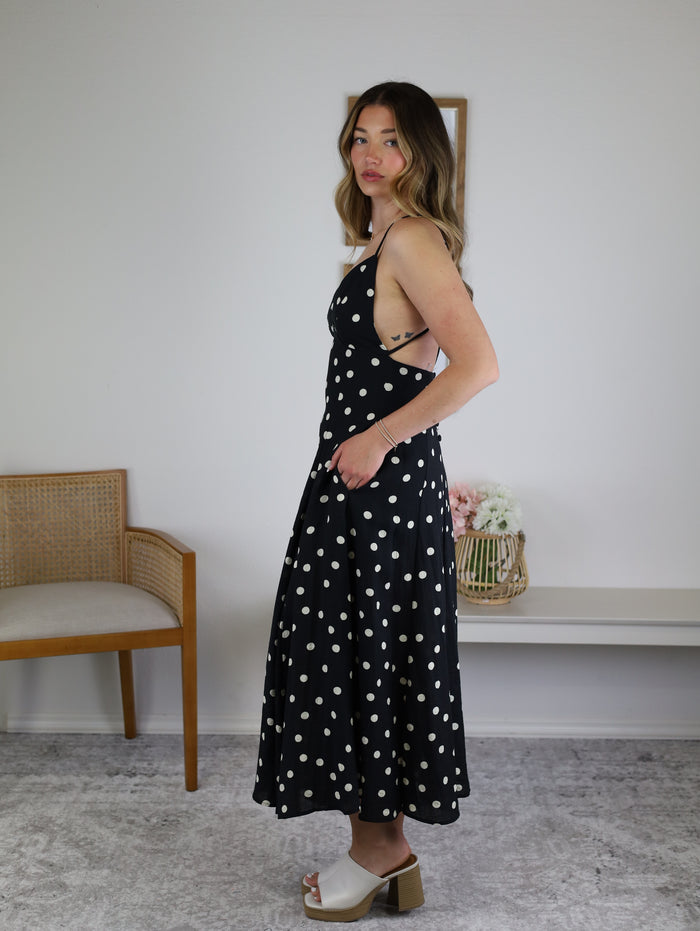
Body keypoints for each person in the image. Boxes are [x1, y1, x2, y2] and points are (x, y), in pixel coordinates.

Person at [252, 81, 498, 922]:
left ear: (421, 152)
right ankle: (382, 848)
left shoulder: (414, 239)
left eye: (391, 140)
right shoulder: (385, 238)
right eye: (360, 137)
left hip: (381, 486)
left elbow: (478, 365)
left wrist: (378, 438)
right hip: (363, 485)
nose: (370, 154)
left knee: (366, 653)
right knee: (361, 653)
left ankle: (380, 852)